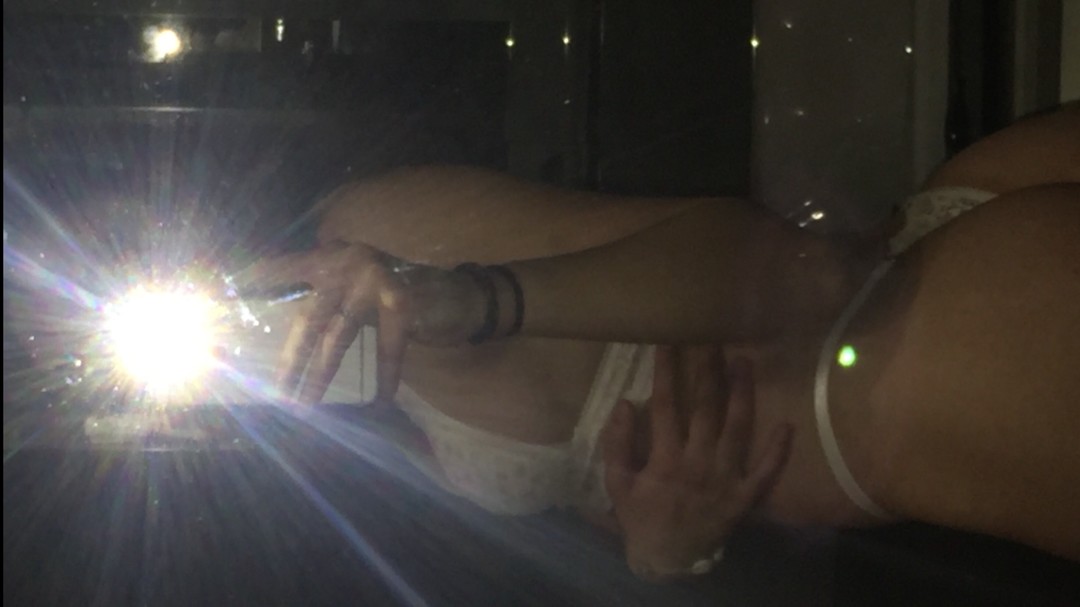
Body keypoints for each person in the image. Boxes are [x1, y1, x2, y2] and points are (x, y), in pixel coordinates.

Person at [239, 103, 1080, 579]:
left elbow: (805, 275)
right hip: (911, 415)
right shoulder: (324, 458)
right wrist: (664, 557)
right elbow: (624, 492)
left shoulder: (369, 235)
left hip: (927, 351)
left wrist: (470, 299)